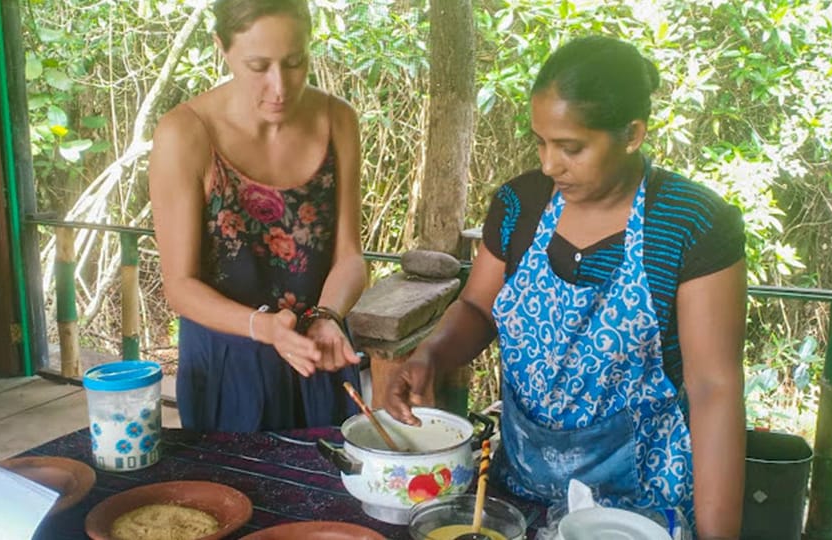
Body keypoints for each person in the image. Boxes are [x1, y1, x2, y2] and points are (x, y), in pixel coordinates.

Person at [385, 36, 746, 538]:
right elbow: (477, 308)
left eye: (571, 147)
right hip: (519, 489)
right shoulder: (521, 205)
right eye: (541, 142)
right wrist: (430, 355)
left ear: (632, 133)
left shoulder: (690, 223)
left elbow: (713, 388)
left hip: (639, 511)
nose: (550, 164)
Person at [149, 0, 366, 433]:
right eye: (257, 65)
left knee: (326, 491)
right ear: (221, 48)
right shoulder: (185, 133)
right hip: (227, 363)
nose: (279, 86)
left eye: (294, 62)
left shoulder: (337, 119)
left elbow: (350, 256)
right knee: (232, 494)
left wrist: (327, 317)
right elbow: (179, 286)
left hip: (317, 352)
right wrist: (263, 327)